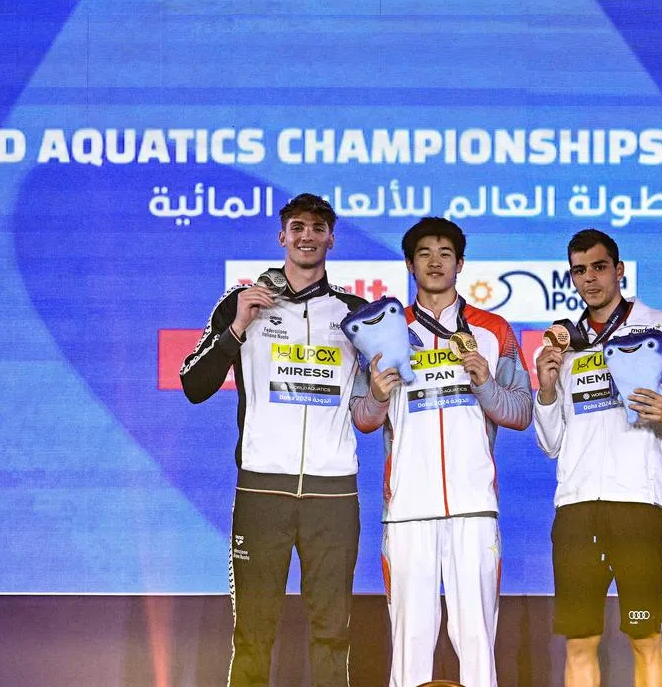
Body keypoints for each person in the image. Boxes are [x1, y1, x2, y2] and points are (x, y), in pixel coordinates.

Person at [180, 193, 368, 687]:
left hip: (333, 491)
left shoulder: (355, 312)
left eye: (318, 227)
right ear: (281, 235)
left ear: (332, 237)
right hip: (263, 489)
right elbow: (193, 385)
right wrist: (239, 326)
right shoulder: (241, 303)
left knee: (333, 631)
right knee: (254, 631)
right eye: (297, 227)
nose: (308, 235)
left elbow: (390, 382)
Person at [351, 217, 533, 687]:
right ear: (410, 265)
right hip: (408, 507)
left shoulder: (493, 331)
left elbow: (520, 412)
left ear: (461, 264)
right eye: (425, 254)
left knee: (476, 643)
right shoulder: (383, 331)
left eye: (445, 253)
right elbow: (363, 418)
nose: (435, 262)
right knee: (410, 647)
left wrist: (485, 383)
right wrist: (377, 392)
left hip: (473, 507)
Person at [533, 229, 662, 687]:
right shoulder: (563, 344)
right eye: (578, 270)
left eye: (598, 267)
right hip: (575, 509)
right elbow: (552, 444)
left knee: (644, 636)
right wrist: (548, 390)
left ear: (619, 270)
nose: (588, 279)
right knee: (579, 641)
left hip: (636, 505)